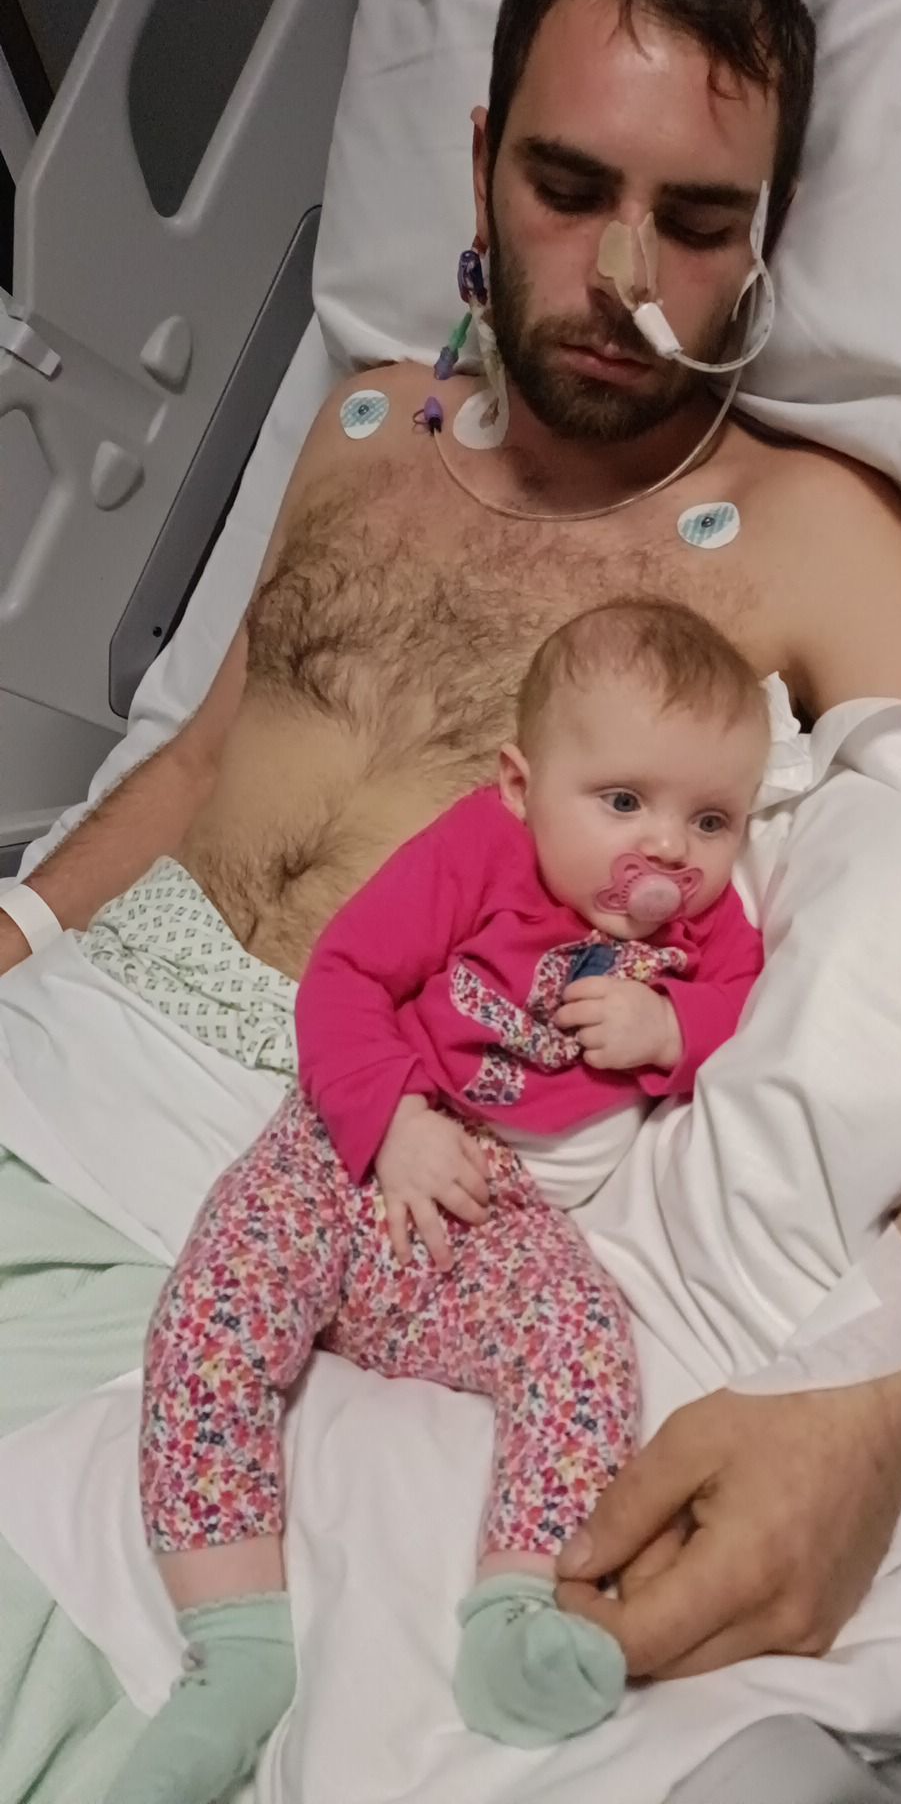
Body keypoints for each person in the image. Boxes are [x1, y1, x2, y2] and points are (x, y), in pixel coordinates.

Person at [0, 0, 901, 1705]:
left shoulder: (814, 536)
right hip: (70, 1048)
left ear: (765, 239)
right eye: (569, 187)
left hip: (341, 1164)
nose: (625, 274)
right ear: (483, 158)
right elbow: (195, 761)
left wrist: (886, 1405)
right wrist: (17, 931)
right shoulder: (360, 428)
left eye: (697, 222)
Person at [103, 599, 769, 1803]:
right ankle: (237, 1647)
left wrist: (675, 1026)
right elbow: (345, 977)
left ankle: (516, 1612)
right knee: (216, 1307)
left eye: (711, 820)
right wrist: (393, 1123)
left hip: (496, 1218)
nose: (670, 850)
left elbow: (751, 1014)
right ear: (521, 785)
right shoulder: (478, 850)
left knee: (583, 1342)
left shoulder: (709, 929)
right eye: (624, 802)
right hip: (357, 1142)